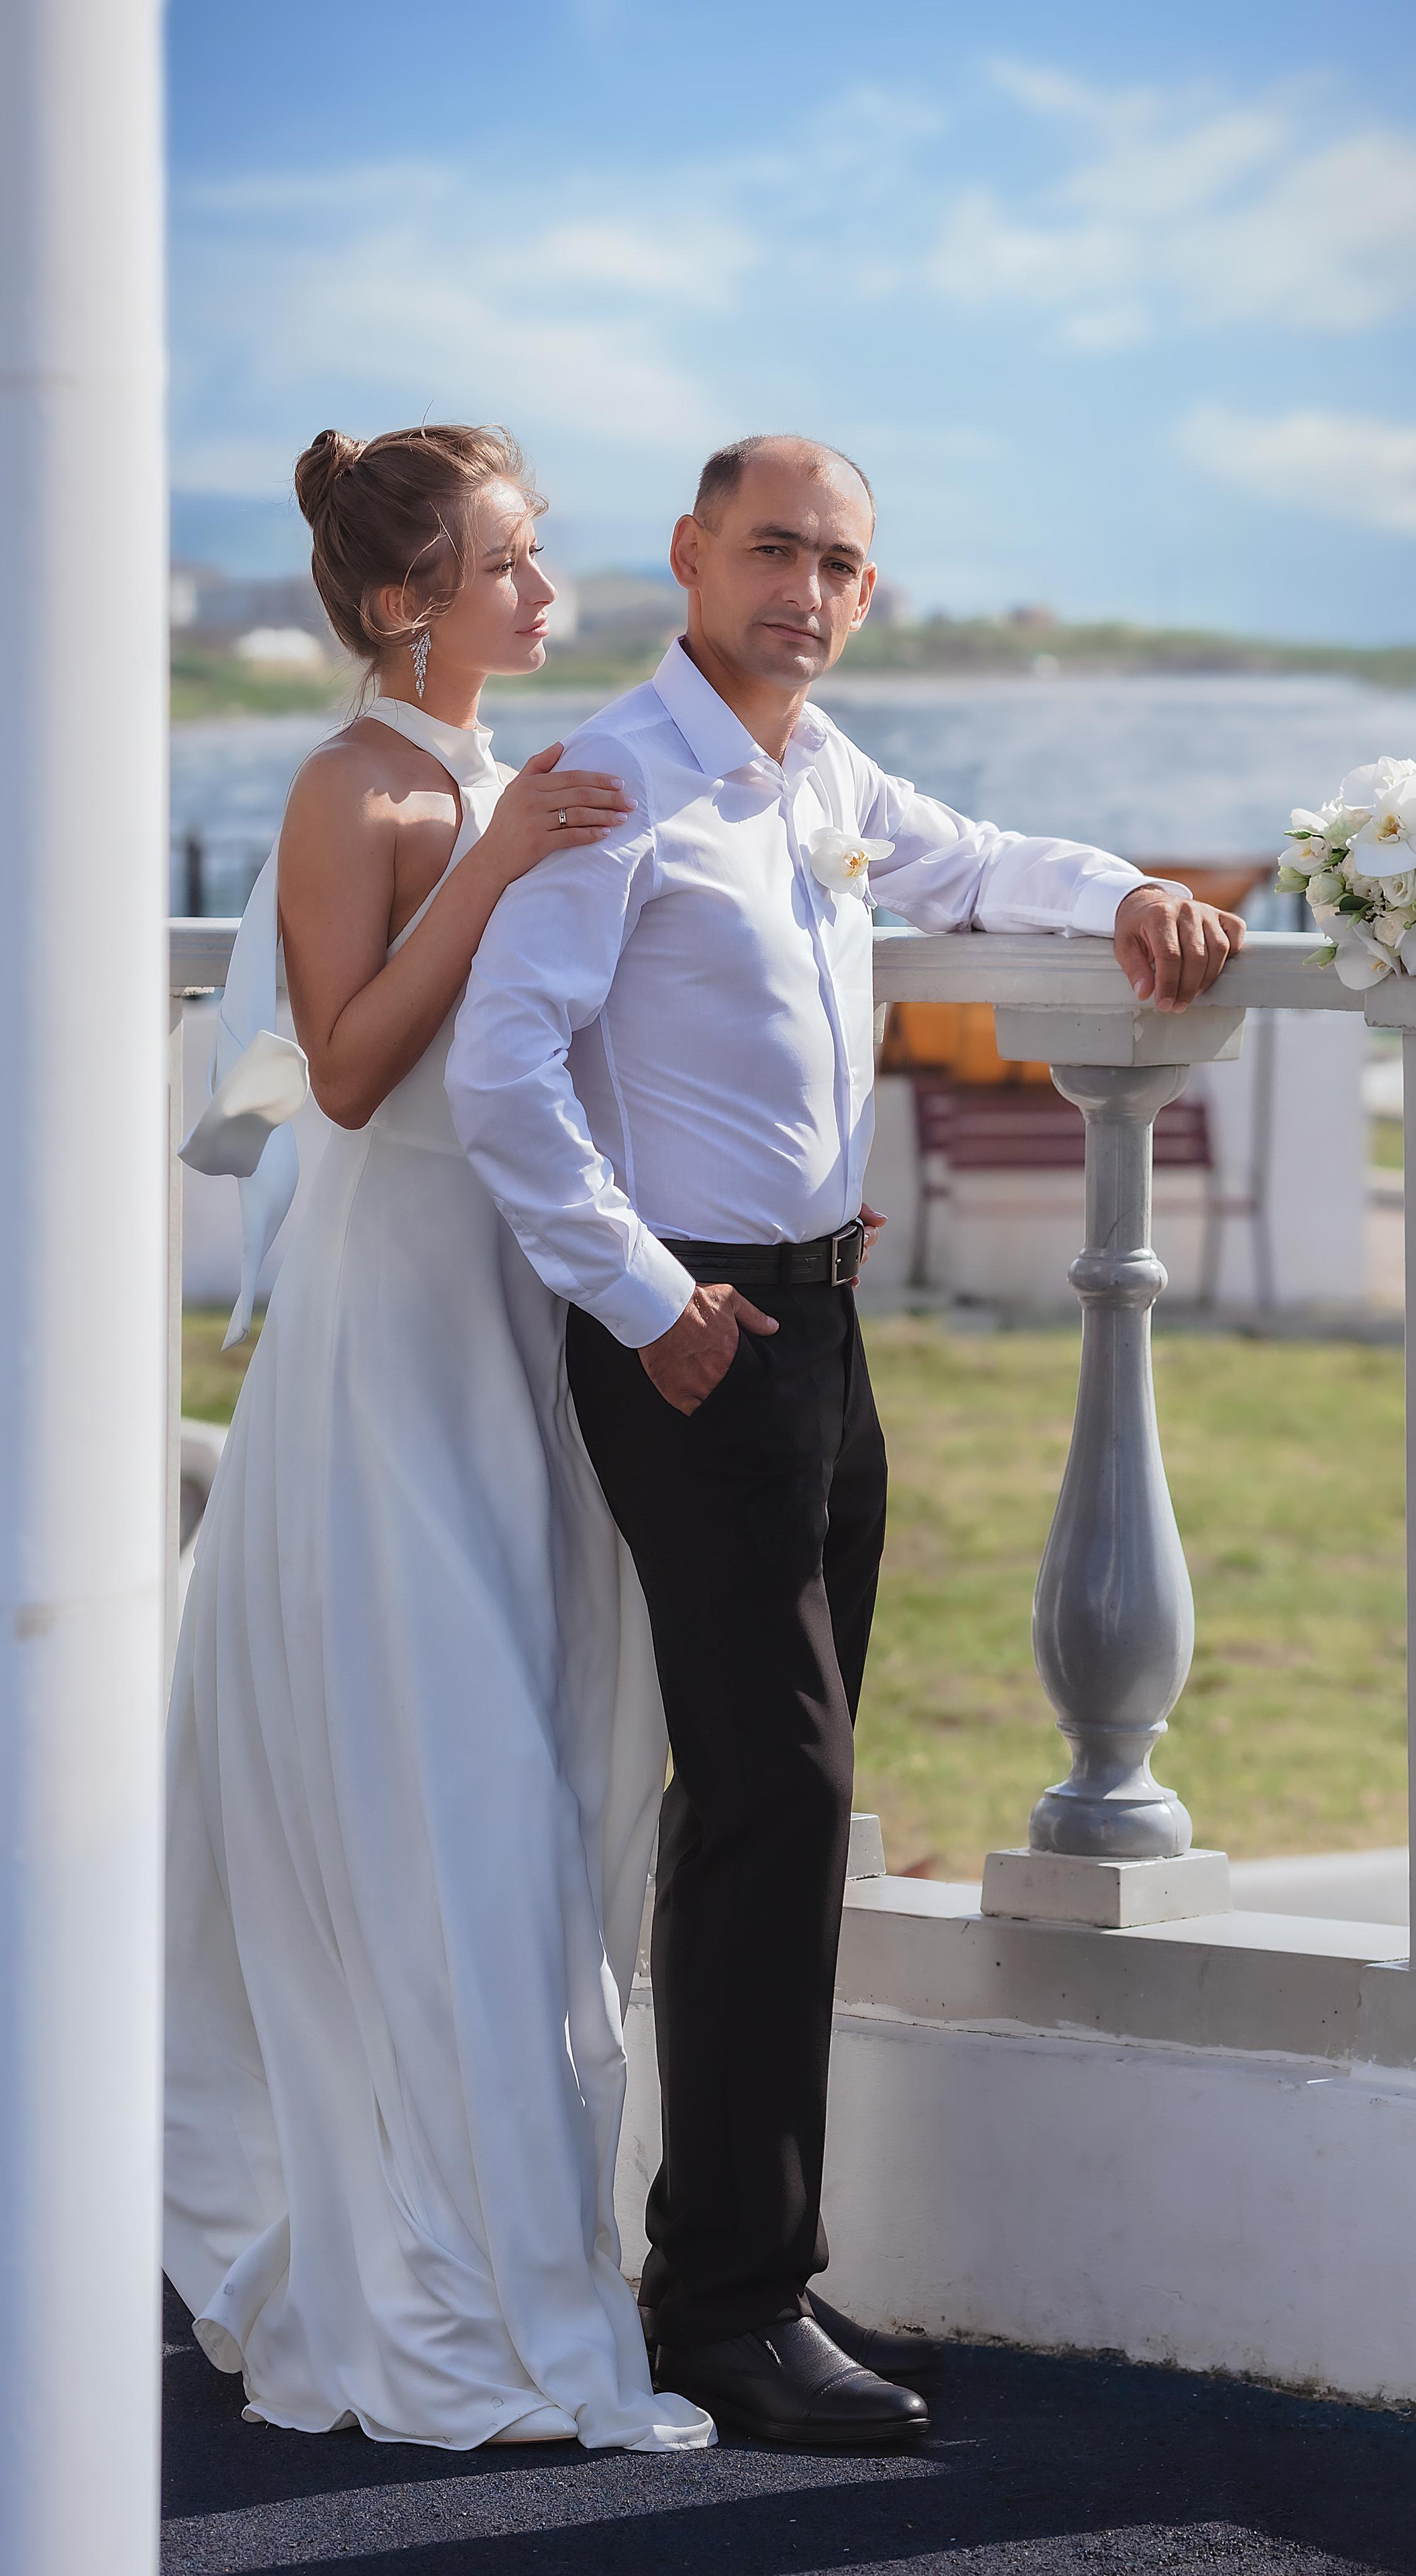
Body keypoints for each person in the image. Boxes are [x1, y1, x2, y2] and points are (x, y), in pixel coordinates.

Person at [446, 434, 1246, 2446]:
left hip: (818, 1313)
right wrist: (647, 1299)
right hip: (691, 1331)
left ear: (866, 598)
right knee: (780, 1791)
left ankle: (715, 2264)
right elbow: (507, 1064)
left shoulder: (821, 775)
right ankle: (732, 2300)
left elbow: (973, 864)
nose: (805, 585)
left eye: (841, 561)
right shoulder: (620, 776)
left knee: (764, 1797)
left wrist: (1133, 887)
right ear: (694, 558)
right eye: (773, 549)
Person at [163, 422, 714, 2455]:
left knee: (553, 1752)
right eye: (508, 569)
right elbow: (349, 1068)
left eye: (538, 561)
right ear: (407, 603)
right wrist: (492, 864)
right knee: (453, 1772)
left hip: (520, 1314)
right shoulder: (352, 789)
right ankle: (447, 2259)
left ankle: (520, 2213)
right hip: (393, 1329)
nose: (547, 603)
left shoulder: (500, 771)